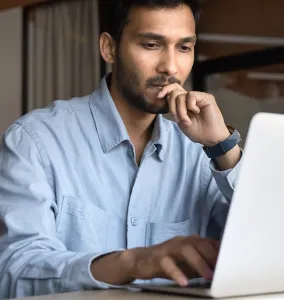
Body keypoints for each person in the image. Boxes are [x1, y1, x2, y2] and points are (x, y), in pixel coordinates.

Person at [0, 0, 242, 298]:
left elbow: (272, 245)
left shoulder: (200, 155)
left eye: (183, 47)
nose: (170, 66)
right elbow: (14, 272)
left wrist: (224, 147)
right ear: (109, 48)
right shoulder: (35, 140)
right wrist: (134, 262)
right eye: (151, 44)